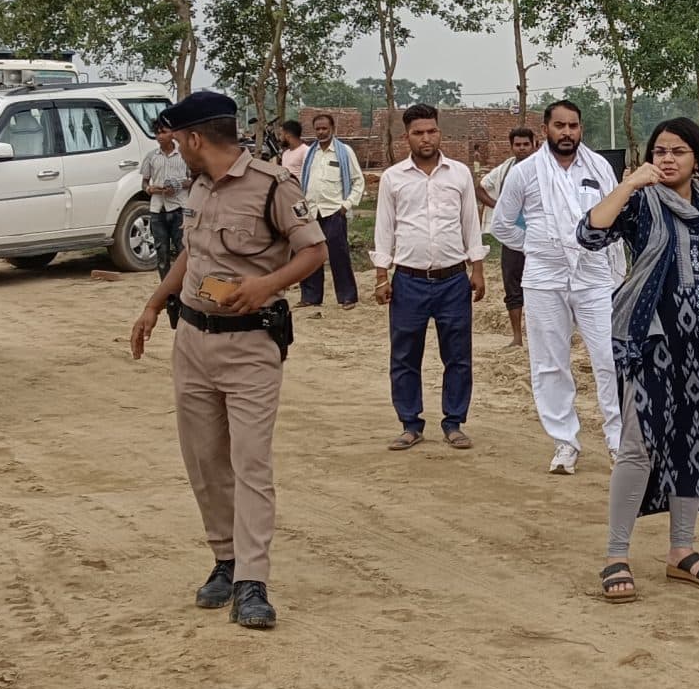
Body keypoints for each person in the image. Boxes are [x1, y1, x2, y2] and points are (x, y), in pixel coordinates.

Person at [128, 91, 327, 630]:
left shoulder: (272, 186)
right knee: (204, 460)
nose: (173, 146)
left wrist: (265, 285)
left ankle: (252, 582)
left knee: (250, 462)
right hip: (192, 340)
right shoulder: (196, 186)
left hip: (250, 347)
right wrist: (153, 303)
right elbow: (194, 253)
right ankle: (225, 560)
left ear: (194, 138)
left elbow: (314, 251)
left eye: (177, 137)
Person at [579, 117, 699, 601]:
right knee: (639, 446)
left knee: (691, 443)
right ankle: (616, 554)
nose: (667, 159)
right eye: (659, 151)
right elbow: (591, 234)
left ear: (697, 158)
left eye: (677, 151)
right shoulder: (640, 203)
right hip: (653, 343)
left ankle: (682, 551)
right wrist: (628, 182)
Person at [489, 99, 625, 473]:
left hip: (594, 275)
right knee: (550, 363)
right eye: (560, 126)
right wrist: (538, 245)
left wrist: (616, 272)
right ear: (545, 128)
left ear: (581, 129)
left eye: (573, 126)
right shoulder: (525, 172)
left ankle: (617, 441)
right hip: (544, 277)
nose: (567, 133)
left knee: (610, 359)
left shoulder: (599, 168)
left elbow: (615, 221)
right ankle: (565, 442)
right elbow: (502, 226)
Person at [372, 104, 487, 451]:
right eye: (418, 132)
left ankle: (454, 422)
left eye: (431, 131)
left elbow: (471, 222)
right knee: (405, 355)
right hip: (408, 281)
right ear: (406, 136)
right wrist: (381, 274)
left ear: (440, 133)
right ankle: (410, 423)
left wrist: (477, 268)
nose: (426, 138)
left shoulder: (459, 174)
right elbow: (385, 228)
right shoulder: (393, 178)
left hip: (454, 280)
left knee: (458, 355)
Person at [291, 113, 363, 308]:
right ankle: (310, 297)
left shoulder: (344, 152)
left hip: (334, 212)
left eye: (325, 128)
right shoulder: (310, 153)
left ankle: (347, 297)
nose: (321, 132)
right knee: (310, 253)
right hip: (312, 212)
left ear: (332, 129)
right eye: (318, 129)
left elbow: (358, 181)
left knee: (338, 254)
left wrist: (345, 206)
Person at [476, 126, 539, 348]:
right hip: (512, 238)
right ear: (511, 146)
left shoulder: (545, 169)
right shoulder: (506, 169)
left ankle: (538, 337)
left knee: (540, 288)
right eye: (517, 145)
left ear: (535, 144)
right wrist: (499, 206)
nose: (521, 148)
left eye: (525, 144)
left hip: (540, 238)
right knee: (512, 287)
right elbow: (480, 187)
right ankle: (517, 337)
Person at [144, 118, 191, 326]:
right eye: (157, 133)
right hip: (158, 208)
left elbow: (193, 178)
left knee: (183, 251)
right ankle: (168, 292)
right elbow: (145, 181)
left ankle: (183, 289)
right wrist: (150, 189)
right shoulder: (151, 157)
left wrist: (179, 184)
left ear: (172, 134)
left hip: (179, 207)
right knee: (161, 252)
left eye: (164, 132)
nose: (160, 136)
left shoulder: (183, 155)